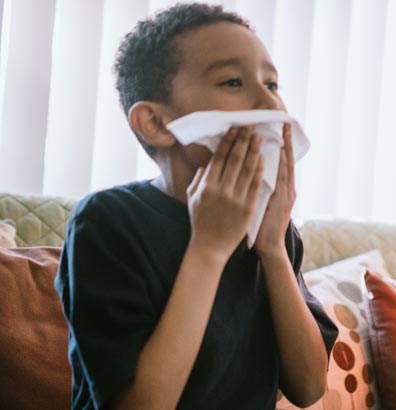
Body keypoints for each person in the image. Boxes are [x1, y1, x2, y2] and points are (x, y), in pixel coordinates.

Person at [55, 4, 337, 408]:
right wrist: (208, 249)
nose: (271, 104)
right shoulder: (106, 222)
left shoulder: (271, 228)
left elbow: (308, 387)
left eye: (272, 85)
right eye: (234, 82)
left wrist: (273, 250)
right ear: (155, 122)